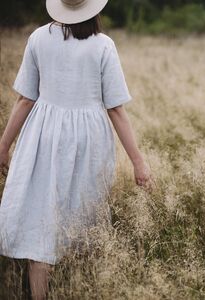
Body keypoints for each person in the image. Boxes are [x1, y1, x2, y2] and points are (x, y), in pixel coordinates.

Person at [0, 0, 155, 299]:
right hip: (89, 141)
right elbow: (116, 110)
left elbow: (25, 100)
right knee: (85, 218)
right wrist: (139, 162)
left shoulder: (38, 38)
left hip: (43, 136)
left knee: (41, 217)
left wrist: (4, 145)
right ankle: (84, 288)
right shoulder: (103, 45)